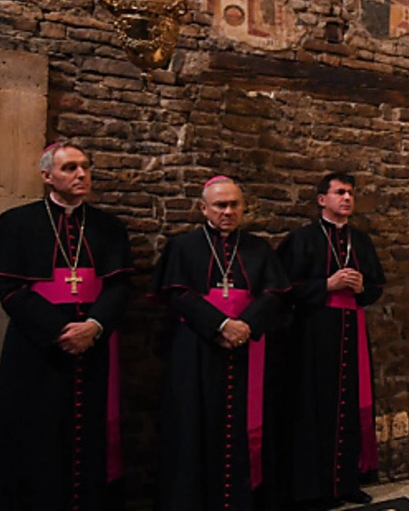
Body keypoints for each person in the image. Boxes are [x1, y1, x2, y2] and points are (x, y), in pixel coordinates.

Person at [0, 142, 132, 511]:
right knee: (34, 438)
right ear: (47, 176)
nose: (81, 174)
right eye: (70, 168)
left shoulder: (108, 227)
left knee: (90, 439)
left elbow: (119, 287)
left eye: (85, 167)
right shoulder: (17, 223)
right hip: (36, 350)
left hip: (93, 349)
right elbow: (11, 292)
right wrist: (62, 331)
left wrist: (93, 326)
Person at [153, 176, 290, 511]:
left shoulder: (259, 249)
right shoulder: (183, 247)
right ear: (204, 208)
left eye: (234, 205)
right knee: (193, 427)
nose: (228, 211)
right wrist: (221, 325)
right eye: (220, 205)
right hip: (197, 348)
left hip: (247, 347)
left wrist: (245, 326)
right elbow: (177, 294)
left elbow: (274, 293)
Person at [276, 172, 385, 510]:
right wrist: (326, 285)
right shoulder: (301, 239)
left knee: (350, 405)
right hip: (313, 334)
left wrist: (361, 288)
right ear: (322, 199)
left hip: (352, 330)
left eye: (350, 192)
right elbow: (283, 290)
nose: (347, 198)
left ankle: (348, 483)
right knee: (313, 407)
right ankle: (315, 489)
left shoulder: (361, 241)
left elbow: (377, 287)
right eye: (340, 192)